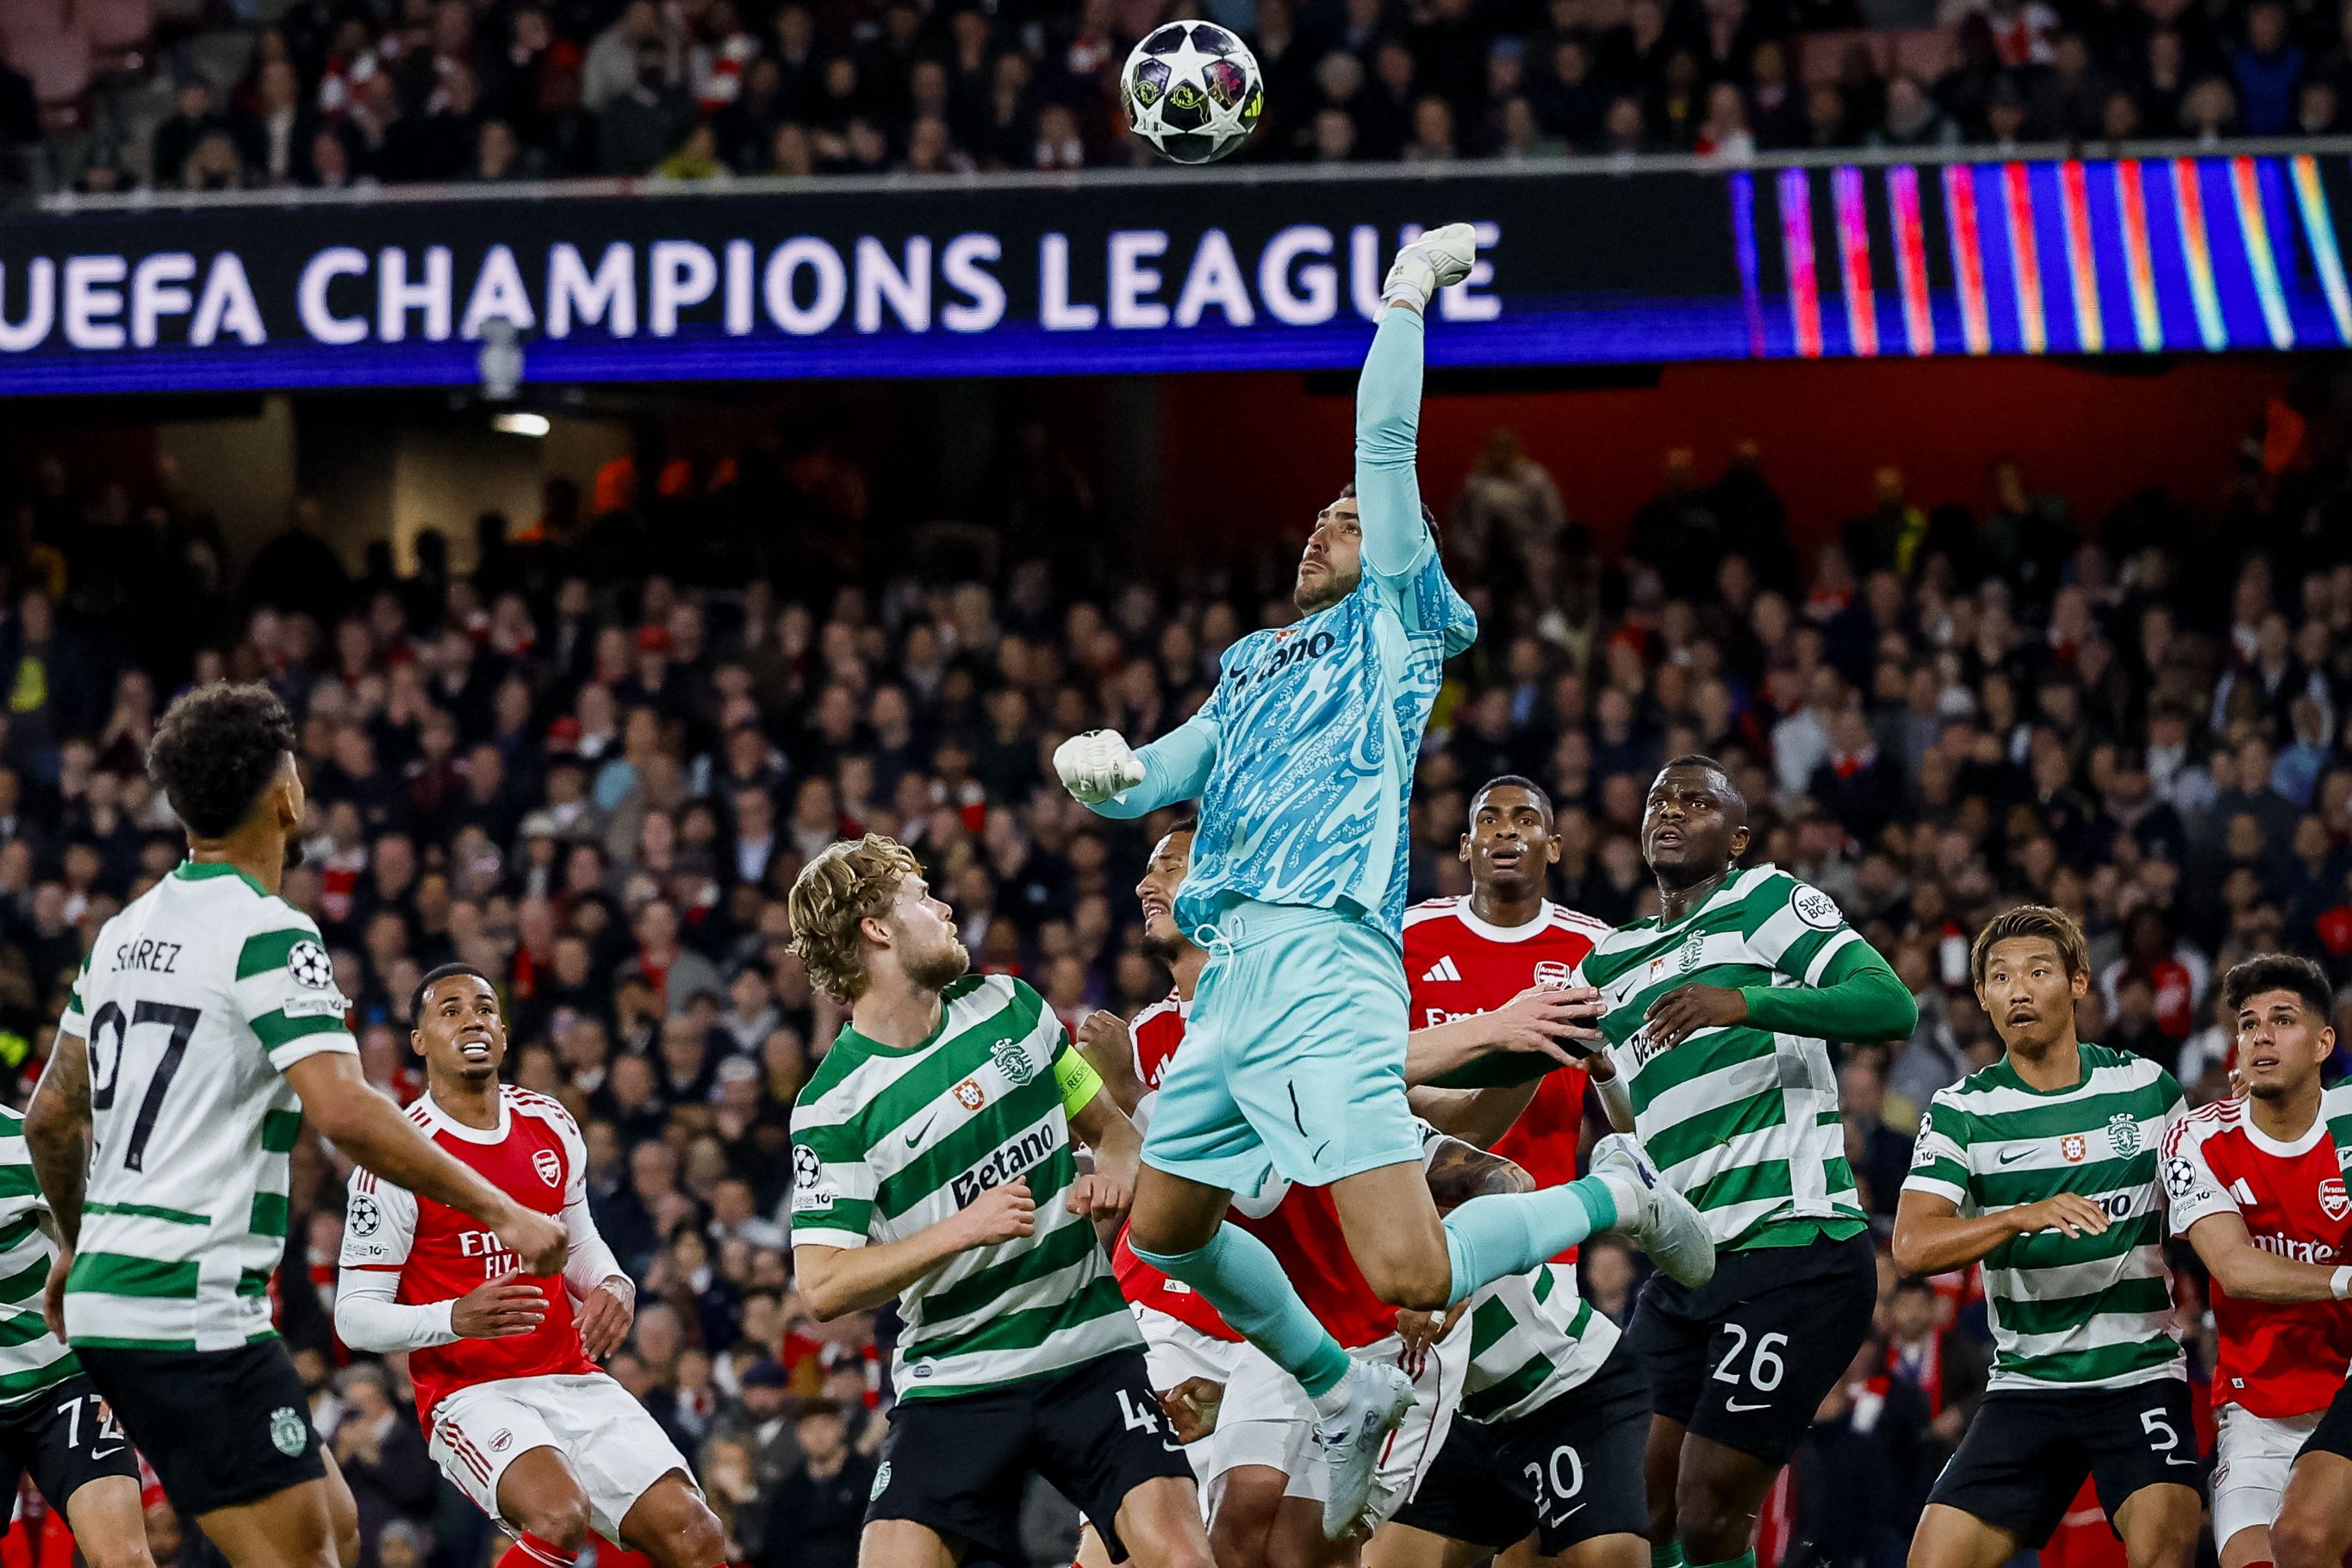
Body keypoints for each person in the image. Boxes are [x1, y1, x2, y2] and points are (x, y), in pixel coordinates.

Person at [1055, 224, 1712, 1536]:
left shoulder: (1396, 628)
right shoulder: (1252, 663)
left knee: (1410, 1273)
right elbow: (1166, 767)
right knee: (1173, 1232)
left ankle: (1615, 1195)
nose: (1324, 530)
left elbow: (1383, 447)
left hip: (1327, 968)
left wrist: (1405, 299)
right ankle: (1333, 1390)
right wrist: (1108, 771)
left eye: (1344, 524)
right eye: (1315, 524)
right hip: (1234, 972)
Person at [22, 681, 566, 1568]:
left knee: (339, 1527)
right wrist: (501, 1209)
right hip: (186, 1306)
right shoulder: (270, 932)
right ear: (284, 794)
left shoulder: (121, 933)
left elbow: (52, 1116)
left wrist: (83, 1242)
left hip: (122, 1298)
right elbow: (344, 1108)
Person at [782, 835, 1213, 1568]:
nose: (946, 909)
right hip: (956, 1374)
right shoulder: (834, 1108)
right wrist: (960, 1231)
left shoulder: (1009, 1007)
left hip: (1089, 1350)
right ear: (877, 930)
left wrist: (1115, 1172)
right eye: (922, 898)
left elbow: (1114, 1134)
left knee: (1182, 1559)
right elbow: (823, 1284)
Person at [1574, 755, 1917, 1568]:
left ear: (1736, 837)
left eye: (1696, 802)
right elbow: (1637, 1118)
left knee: (1706, 1505)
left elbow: (1889, 1003)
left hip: (1796, 1252)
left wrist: (1745, 1000)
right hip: (1689, 1265)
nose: (1669, 809)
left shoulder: (1764, 900)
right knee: (1631, 1507)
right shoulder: (1608, 965)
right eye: (1659, 797)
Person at [333, 962, 726, 1568]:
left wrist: (614, 1283)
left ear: (505, 1032)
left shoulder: (550, 1123)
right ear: (420, 1042)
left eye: (486, 1008)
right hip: (470, 1391)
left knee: (696, 1535)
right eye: (452, 1009)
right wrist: (453, 1318)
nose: (473, 1019)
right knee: (557, 1516)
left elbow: (580, 1240)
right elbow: (355, 1318)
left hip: (570, 1373)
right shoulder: (396, 1156)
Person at [1895, 905, 2199, 1568]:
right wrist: (2017, 1215)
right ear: (1982, 997)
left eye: (2038, 972)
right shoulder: (1962, 1111)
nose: (2018, 990)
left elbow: (2205, 1214)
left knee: (2166, 1554)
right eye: (1999, 978)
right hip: (2027, 1384)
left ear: (2080, 982)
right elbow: (1913, 1246)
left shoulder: (2146, 1090)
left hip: (2139, 1376)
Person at [2163, 955, 2352, 1568]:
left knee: (2304, 1536)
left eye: (2283, 1020)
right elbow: (2235, 1267)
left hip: (2346, 1386)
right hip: (2257, 1414)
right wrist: (2345, 1280)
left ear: (2325, 1042)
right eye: (2247, 1024)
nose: (2261, 1035)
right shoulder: (2196, 1138)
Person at [1400, 774, 1615, 1168]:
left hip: (1545, 1204)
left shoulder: (1597, 947)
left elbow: (1632, 1096)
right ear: (1466, 847)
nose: (1506, 832)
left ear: (1553, 848)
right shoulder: (1407, 935)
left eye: (1526, 820)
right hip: (1425, 1200)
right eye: (1488, 820)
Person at [0, 1105, 157, 1568]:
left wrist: (122, 1364)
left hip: (65, 1382)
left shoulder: (21, 1145)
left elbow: (111, 1246)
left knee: (122, 1558)